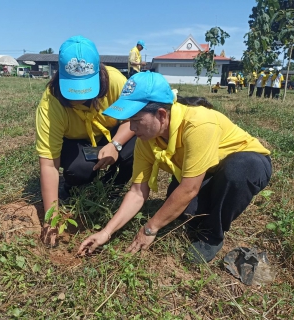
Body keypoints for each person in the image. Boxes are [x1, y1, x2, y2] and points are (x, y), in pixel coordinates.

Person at [78, 72, 272, 263]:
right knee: (186, 211)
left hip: (247, 162)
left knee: (238, 171)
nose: (132, 129)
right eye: (129, 121)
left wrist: (150, 228)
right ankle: (211, 202)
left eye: (137, 121)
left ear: (161, 115)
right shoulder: (146, 140)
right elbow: (137, 192)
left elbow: (189, 189)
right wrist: (106, 232)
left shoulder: (198, 124)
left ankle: (213, 235)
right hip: (207, 172)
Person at [36, 36, 136, 246]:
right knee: (79, 169)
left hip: (111, 134)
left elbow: (133, 119)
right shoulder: (50, 103)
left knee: (134, 150)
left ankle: (112, 189)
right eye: (73, 89)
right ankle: (74, 186)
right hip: (75, 142)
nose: (79, 97)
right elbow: (48, 163)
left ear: (99, 74)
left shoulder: (116, 81)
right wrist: (50, 220)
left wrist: (115, 145)